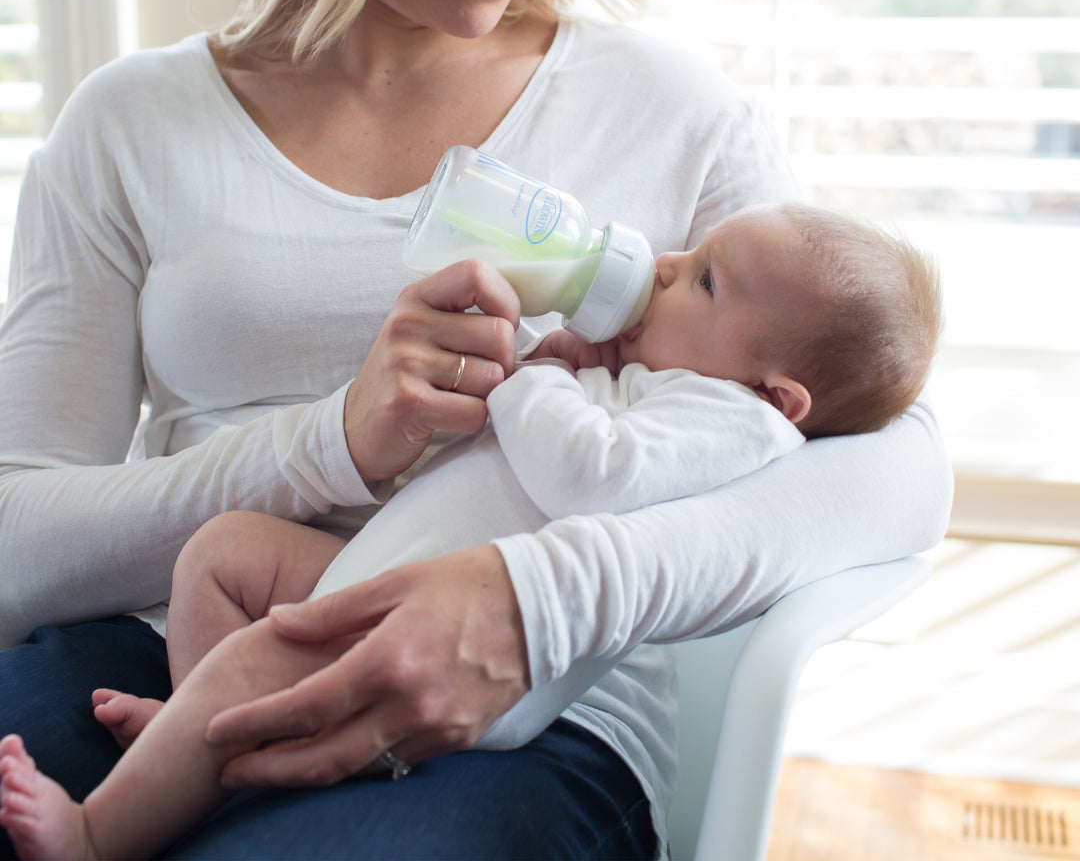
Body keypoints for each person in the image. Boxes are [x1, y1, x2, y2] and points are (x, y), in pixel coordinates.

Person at [0, 0, 953, 857]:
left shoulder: (673, 113)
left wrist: (532, 601)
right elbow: (14, 545)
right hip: (165, 646)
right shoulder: (132, 124)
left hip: (522, 713)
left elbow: (896, 468)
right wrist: (331, 445)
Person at [0, 201, 944, 861]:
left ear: (780, 394)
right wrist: (343, 433)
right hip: (371, 566)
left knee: (267, 660)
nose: (662, 264)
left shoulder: (734, 419)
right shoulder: (678, 378)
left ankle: (96, 835)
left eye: (703, 281)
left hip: (464, 654)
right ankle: (196, 726)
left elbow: (593, 473)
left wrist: (539, 377)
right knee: (225, 553)